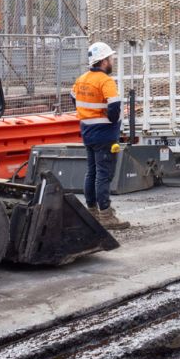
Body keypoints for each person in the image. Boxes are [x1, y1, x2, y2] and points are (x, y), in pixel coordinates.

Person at [71, 42, 130, 230]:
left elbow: (74, 97)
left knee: (92, 171)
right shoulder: (106, 81)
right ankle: (105, 215)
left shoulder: (82, 79)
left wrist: (87, 113)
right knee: (104, 173)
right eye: (110, 59)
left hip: (87, 132)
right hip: (105, 133)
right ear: (103, 61)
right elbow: (114, 106)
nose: (111, 61)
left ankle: (92, 211)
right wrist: (113, 122)